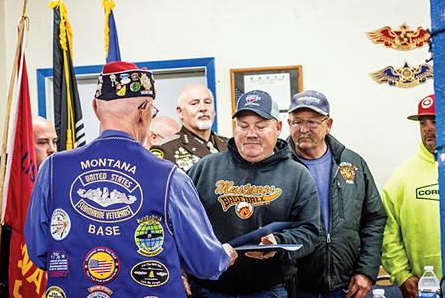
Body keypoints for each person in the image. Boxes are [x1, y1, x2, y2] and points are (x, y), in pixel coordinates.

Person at [24, 61, 237, 298]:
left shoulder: (52, 168)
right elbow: (204, 263)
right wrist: (222, 255)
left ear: (95, 108)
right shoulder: (169, 177)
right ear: (144, 111)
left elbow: (38, 251)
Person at [186, 90, 320, 297]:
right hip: (208, 289)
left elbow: (310, 232)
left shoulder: (297, 175)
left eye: (260, 126)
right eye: (243, 125)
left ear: (277, 128)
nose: (250, 134)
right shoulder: (205, 168)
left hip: (268, 290)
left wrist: (278, 243)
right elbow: (179, 225)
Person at [287, 90, 387, 298]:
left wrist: (366, 271)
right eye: (297, 122)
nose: (304, 129)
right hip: (295, 287)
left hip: (348, 286)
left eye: (312, 122)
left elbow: (374, 218)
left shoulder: (353, 163)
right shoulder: (278, 166)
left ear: (328, 124)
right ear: (288, 124)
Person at [0, 116, 57, 297]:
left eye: (54, 141)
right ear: (23, 144)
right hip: (14, 275)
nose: (52, 149)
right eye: (43, 142)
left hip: (48, 277)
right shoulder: (1, 175)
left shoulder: (52, 173)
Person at [381, 93, 441, 298]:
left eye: (435, 120)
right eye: (423, 123)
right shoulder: (402, 177)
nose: (428, 128)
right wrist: (402, 275)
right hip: (425, 289)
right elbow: (387, 232)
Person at [150, 83, 227, 171]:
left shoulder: (229, 145)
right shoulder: (165, 149)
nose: (203, 108)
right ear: (180, 112)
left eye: (207, 102)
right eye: (194, 103)